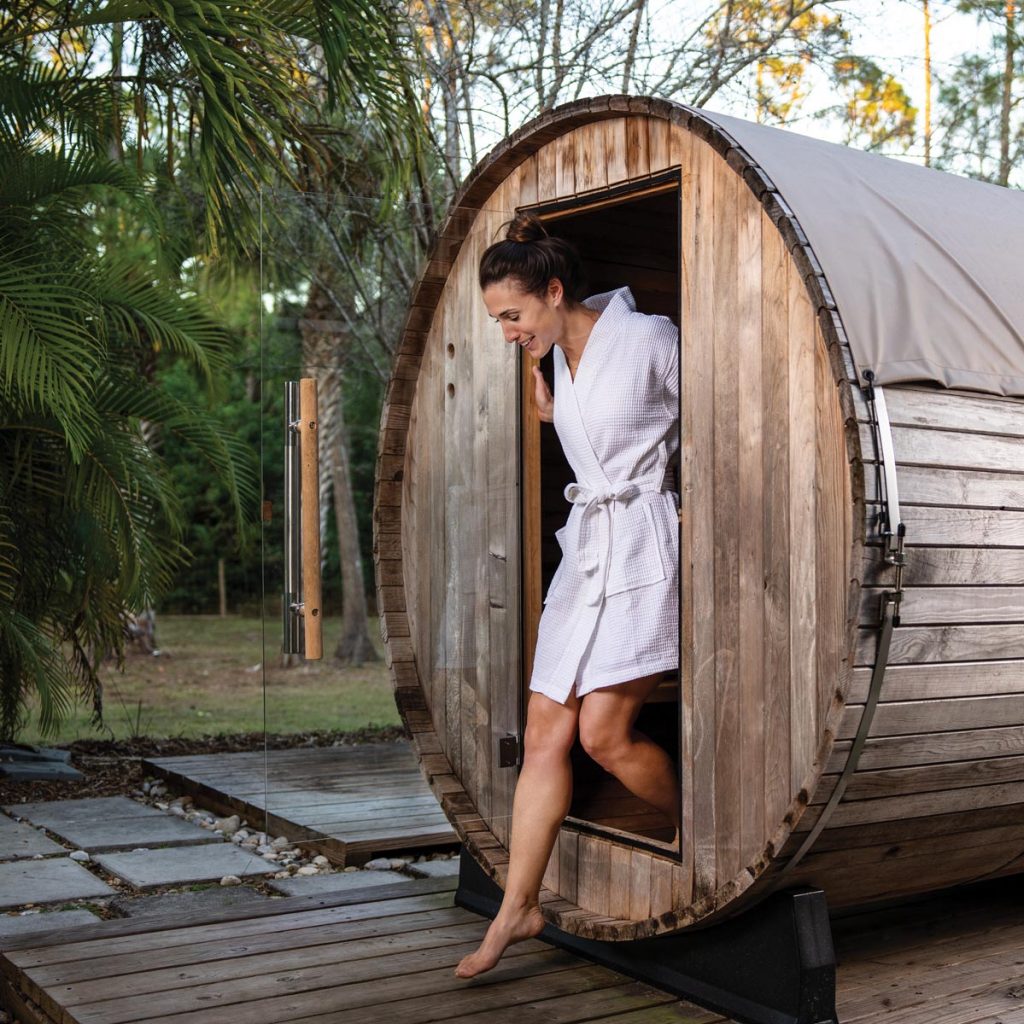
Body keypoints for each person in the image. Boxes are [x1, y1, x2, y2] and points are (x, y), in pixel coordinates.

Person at [454, 213, 681, 980]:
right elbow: (603, 436)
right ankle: (517, 908)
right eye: (497, 321)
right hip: (586, 556)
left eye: (512, 315)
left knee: (603, 738)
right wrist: (559, 419)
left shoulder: (650, 339)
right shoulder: (558, 364)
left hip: (645, 546)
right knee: (546, 730)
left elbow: (721, 423)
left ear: (554, 291)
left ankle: (700, 832)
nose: (507, 332)